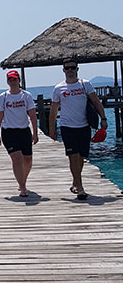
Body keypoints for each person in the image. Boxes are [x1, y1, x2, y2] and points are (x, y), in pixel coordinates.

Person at [49, 58, 108, 200]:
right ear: (63, 70)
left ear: (77, 69)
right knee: (72, 156)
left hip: (84, 126)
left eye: (73, 68)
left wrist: (103, 118)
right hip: (67, 126)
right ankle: (80, 188)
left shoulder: (85, 84)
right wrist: (52, 129)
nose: (70, 70)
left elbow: (96, 101)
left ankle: (75, 181)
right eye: (67, 68)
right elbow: (53, 109)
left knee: (81, 157)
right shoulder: (58, 88)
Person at [0, 70, 39, 197]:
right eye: (10, 79)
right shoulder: (3, 97)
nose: (13, 82)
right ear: (7, 81)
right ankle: (23, 186)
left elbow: (32, 115)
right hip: (9, 131)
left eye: (15, 79)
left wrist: (35, 132)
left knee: (28, 160)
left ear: (19, 80)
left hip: (24, 130)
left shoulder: (26, 96)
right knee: (17, 158)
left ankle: (22, 180)